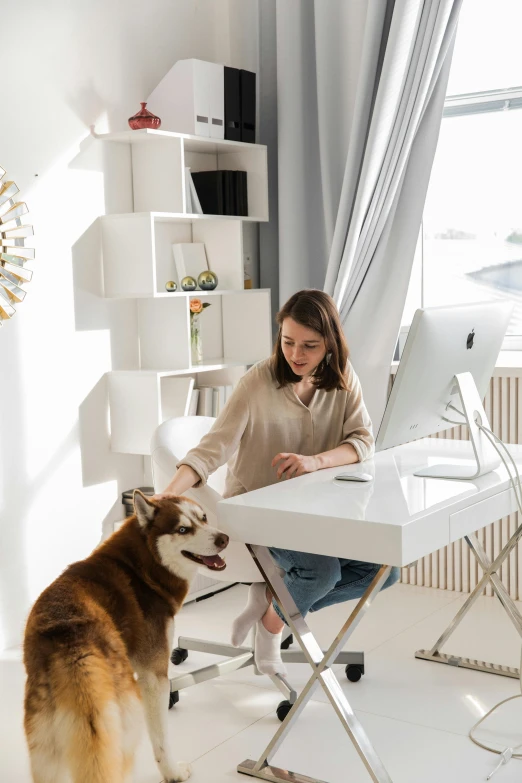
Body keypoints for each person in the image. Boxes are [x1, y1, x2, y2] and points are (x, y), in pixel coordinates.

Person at [159, 289, 399, 675]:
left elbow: (363, 441)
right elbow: (210, 451)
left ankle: (272, 605)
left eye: (309, 345)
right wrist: (165, 496)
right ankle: (273, 626)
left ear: (330, 345)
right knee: (321, 574)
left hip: (315, 510)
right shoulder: (257, 382)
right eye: (287, 342)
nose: (296, 354)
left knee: (383, 570)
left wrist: (316, 461)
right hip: (257, 515)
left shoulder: (342, 378)